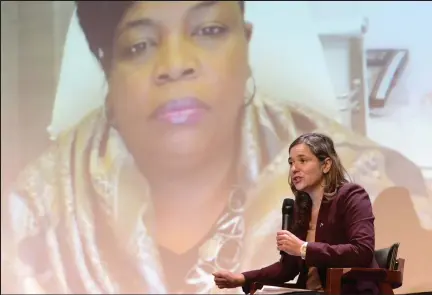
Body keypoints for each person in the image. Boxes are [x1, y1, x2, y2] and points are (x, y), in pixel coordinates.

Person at [1, 1, 431, 294]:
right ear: (108, 68)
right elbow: (287, 271)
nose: (175, 65)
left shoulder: (377, 183)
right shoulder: (32, 212)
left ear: (246, 44)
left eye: (208, 30)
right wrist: (244, 277)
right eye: (140, 44)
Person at [213, 133, 379, 295]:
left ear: (326, 165)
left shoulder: (352, 195)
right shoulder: (302, 208)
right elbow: (288, 268)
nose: (294, 169)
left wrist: (303, 248)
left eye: (302, 161)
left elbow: (362, 251)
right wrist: (242, 278)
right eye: (291, 163)